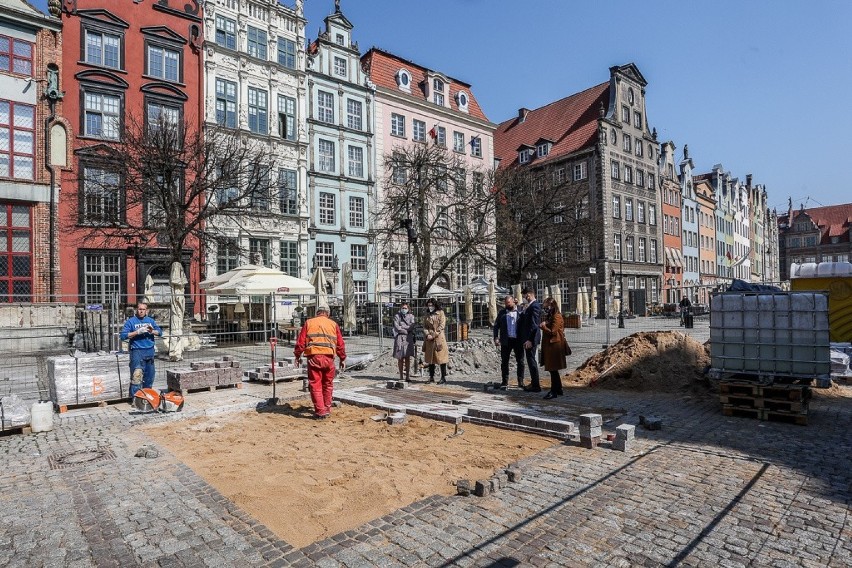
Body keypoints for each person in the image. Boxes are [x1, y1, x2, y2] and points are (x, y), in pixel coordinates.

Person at [294, 302, 346, 419]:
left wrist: (297, 356)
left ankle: (320, 411)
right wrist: (342, 358)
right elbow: (340, 345)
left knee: (315, 384)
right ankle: (327, 409)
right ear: (328, 313)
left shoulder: (309, 323)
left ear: (317, 313)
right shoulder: (333, 324)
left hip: (314, 357)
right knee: (327, 384)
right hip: (329, 358)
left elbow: (300, 343)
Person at [120, 302, 162, 399]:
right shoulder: (131, 322)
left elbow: (160, 332)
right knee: (137, 376)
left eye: (143, 309)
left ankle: (146, 397)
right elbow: (123, 336)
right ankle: (136, 399)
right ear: (136, 310)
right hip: (137, 351)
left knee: (150, 376)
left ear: (146, 311)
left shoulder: (150, 321)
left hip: (150, 351)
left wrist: (153, 331)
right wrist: (137, 332)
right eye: (139, 309)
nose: (141, 311)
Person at [493, 295, 524, 389]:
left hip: (518, 340)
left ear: (514, 302)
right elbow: (496, 326)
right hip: (506, 340)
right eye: (506, 304)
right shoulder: (502, 313)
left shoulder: (520, 311)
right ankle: (505, 381)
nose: (507, 305)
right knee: (504, 361)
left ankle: (520, 381)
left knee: (520, 361)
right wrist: (496, 337)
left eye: (508, 303)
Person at [539, 297, 568, 399]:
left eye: (547, 307)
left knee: (553, 369)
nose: (546, 309)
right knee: (553, 370)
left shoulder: (557, 316)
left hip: (555, 347)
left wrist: (543, 327)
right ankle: (558, 389)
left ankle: (554, 391)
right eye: (545, 307)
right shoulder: (551, 316)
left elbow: (553, 331)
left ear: (552, 306)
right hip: (551, 346)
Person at [517, 287, 542, 392]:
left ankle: (536, 385)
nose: (524, 298)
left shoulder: (535, 306)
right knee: (530, 360)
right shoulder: (530, 306)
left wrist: (530, 340)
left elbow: (534, 325)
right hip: (528, 338)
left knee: (532, 361)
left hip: (530, 339)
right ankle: (534, 382)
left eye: (524, 296)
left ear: (529, 295)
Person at [422, 298, 448, 384]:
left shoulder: (440, 313)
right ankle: (431, 377)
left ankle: (443, 377)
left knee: (441, 358)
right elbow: (425, 326)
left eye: (431, 305)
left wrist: (433, 335)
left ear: (435, 305)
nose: (430, 307)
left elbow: (442, 325)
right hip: (429, 339)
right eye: (429, 305)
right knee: (430, 359)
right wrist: (427, 334)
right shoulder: (427, 314)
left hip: (439, 338)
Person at [392, 302, 416, 382]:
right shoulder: (397, 316)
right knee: (400, 357)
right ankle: (401, 376)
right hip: (399, 338)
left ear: (408, 309)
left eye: (405, 308)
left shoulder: (411, 316)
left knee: (407, 357)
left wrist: (403, 327)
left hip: (408, 339)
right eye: (403, 308)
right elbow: (397, 327)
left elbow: (411, 326)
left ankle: (407, 376)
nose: (404, 309)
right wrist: (405, 329)